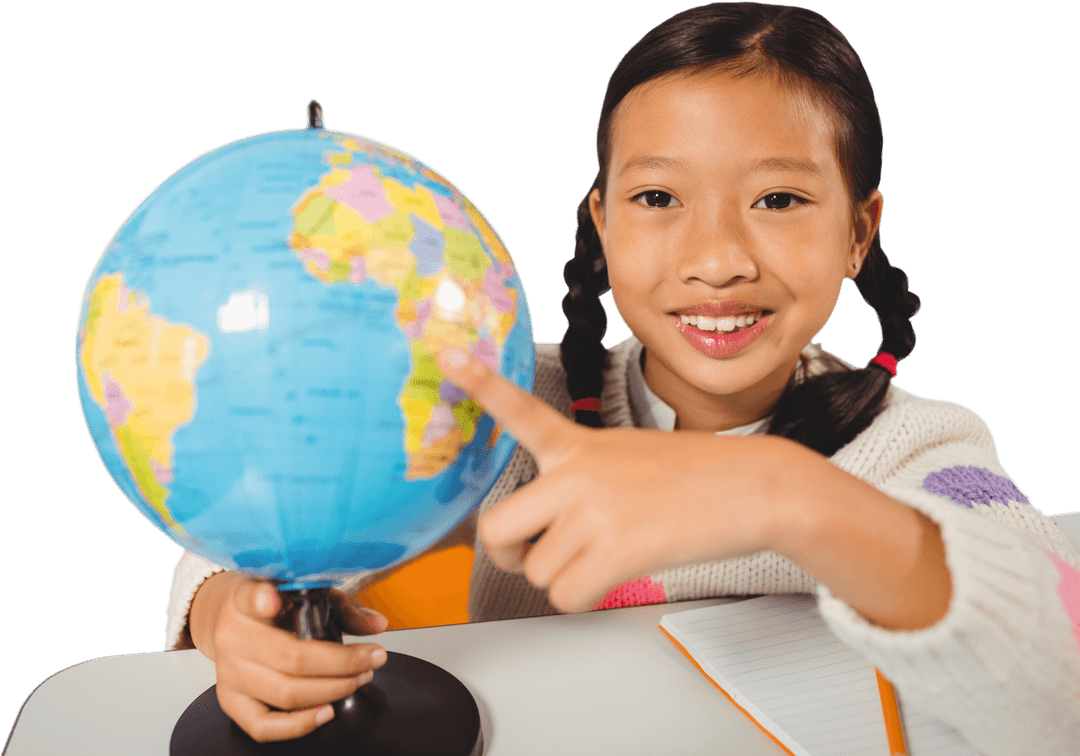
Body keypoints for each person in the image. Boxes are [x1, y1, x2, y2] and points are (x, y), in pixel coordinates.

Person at [166, 2, 1080, 751]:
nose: (716, 260)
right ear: (602, 223)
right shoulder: (514, 408)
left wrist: (788, 494)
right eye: (657, 199)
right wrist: (229, 620)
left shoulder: (913, 445)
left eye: (779, 200)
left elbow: (1053, 675)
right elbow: (255, 523)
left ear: (858, 232)